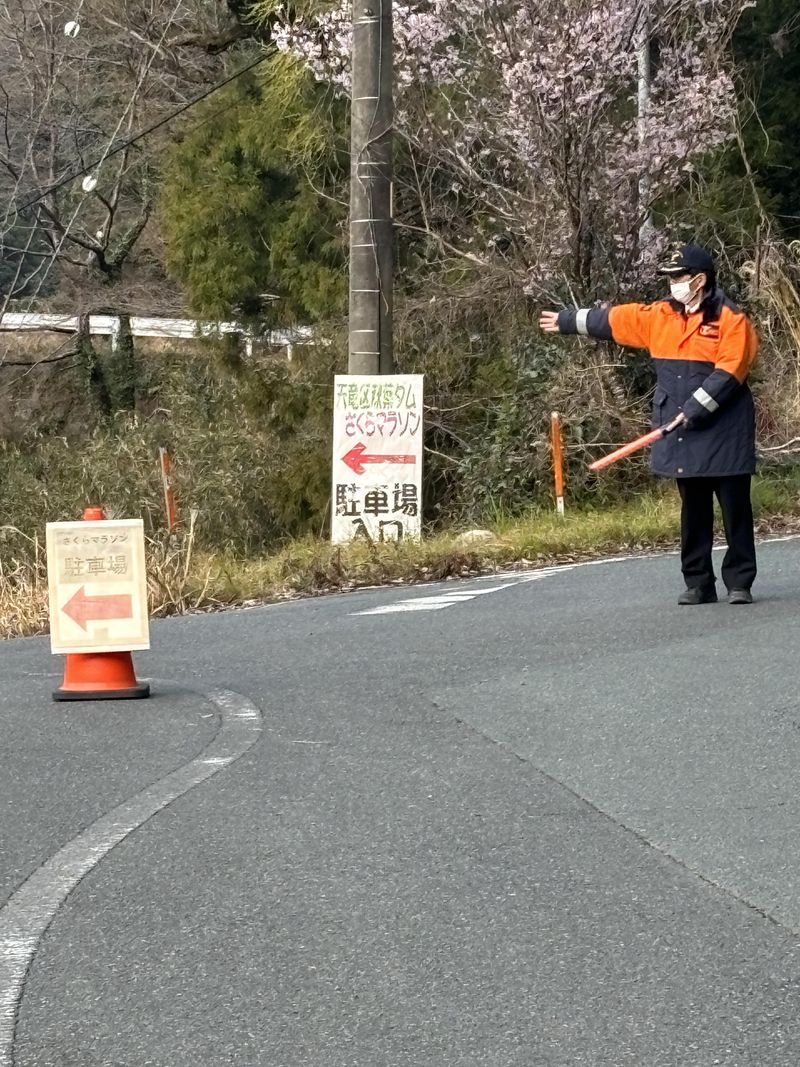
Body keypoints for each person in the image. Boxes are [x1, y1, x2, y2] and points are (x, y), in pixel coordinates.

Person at [539, 243, 759, 605]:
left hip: (725, 428)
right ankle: (698, 583)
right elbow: (615, 320)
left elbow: (731, 370)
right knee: (693, 509)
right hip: (681, 429)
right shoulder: (660, 315)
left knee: (735, 508)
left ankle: (740, 582)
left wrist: (694, 408)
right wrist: (566, 321)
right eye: (671, 277)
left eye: (679, 276)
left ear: (700, 279)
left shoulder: (731, 319)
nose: (673, 283)